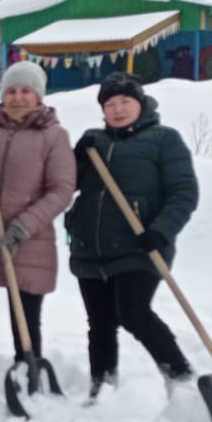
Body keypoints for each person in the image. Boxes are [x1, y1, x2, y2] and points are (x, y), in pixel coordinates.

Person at [67, 72, 199, 400]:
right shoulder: (93, 141)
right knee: (100, 323)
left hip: (140, 246)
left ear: (141, 103)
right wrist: (77, 158)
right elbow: (68, 183)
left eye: (125, 101)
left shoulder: (164, 139)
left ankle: (181, 376)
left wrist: (161, 230)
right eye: (110, 104)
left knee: (133, 313)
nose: (118, 109)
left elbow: (184, 192)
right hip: (91, 247)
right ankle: (102, 388)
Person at [0, 62, 75, 375]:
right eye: (11, 91)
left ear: (39, 96)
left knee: (24, 320)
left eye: (26, 91)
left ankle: (28, 376)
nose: (18, 97)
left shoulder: (53, 136)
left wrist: (22, 228)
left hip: (28, 241)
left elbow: (61, 190)